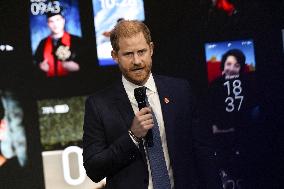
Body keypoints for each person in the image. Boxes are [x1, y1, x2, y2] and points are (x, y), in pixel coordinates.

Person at [83, 20, 197, 189]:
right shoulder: (99, 105)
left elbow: (202, 149)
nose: (137, 61)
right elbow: (94, 169)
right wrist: (133, 136)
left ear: (151, 49)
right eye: (128, 54)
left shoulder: (180, 90)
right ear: (115, 56)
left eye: (142, 51)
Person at [207, 49, 259, 188]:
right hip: (224, 147)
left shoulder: (249, 84)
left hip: (246, 145)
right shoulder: (215, 85)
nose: (232, 68)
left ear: (241, 68)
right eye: (229, 64)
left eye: (236, 65)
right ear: (223, 66)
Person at [34, 10, 82, 77]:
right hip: (49, 84)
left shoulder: (77, 41)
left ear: (63, 21)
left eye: (58, 20)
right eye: (51, 21)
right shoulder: (43, 43)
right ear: (48, 24)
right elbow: (35, 62)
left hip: (73, 83)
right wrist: (40, 66)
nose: (55, 24)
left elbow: (90, 65)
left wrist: (79, 67)